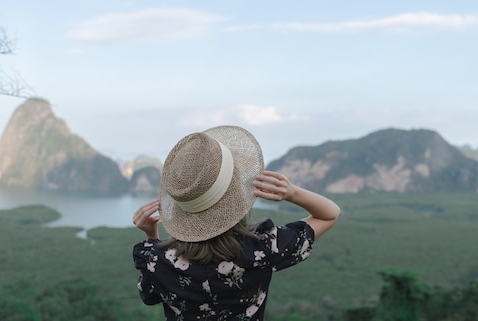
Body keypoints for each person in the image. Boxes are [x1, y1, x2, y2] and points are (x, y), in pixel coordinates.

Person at [132, 125, 340, 320]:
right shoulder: (263, 249)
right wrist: (292, 193)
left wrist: (152, 238)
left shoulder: (157, 262)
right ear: (238, 197)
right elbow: (329, 214)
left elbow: (149, 296)